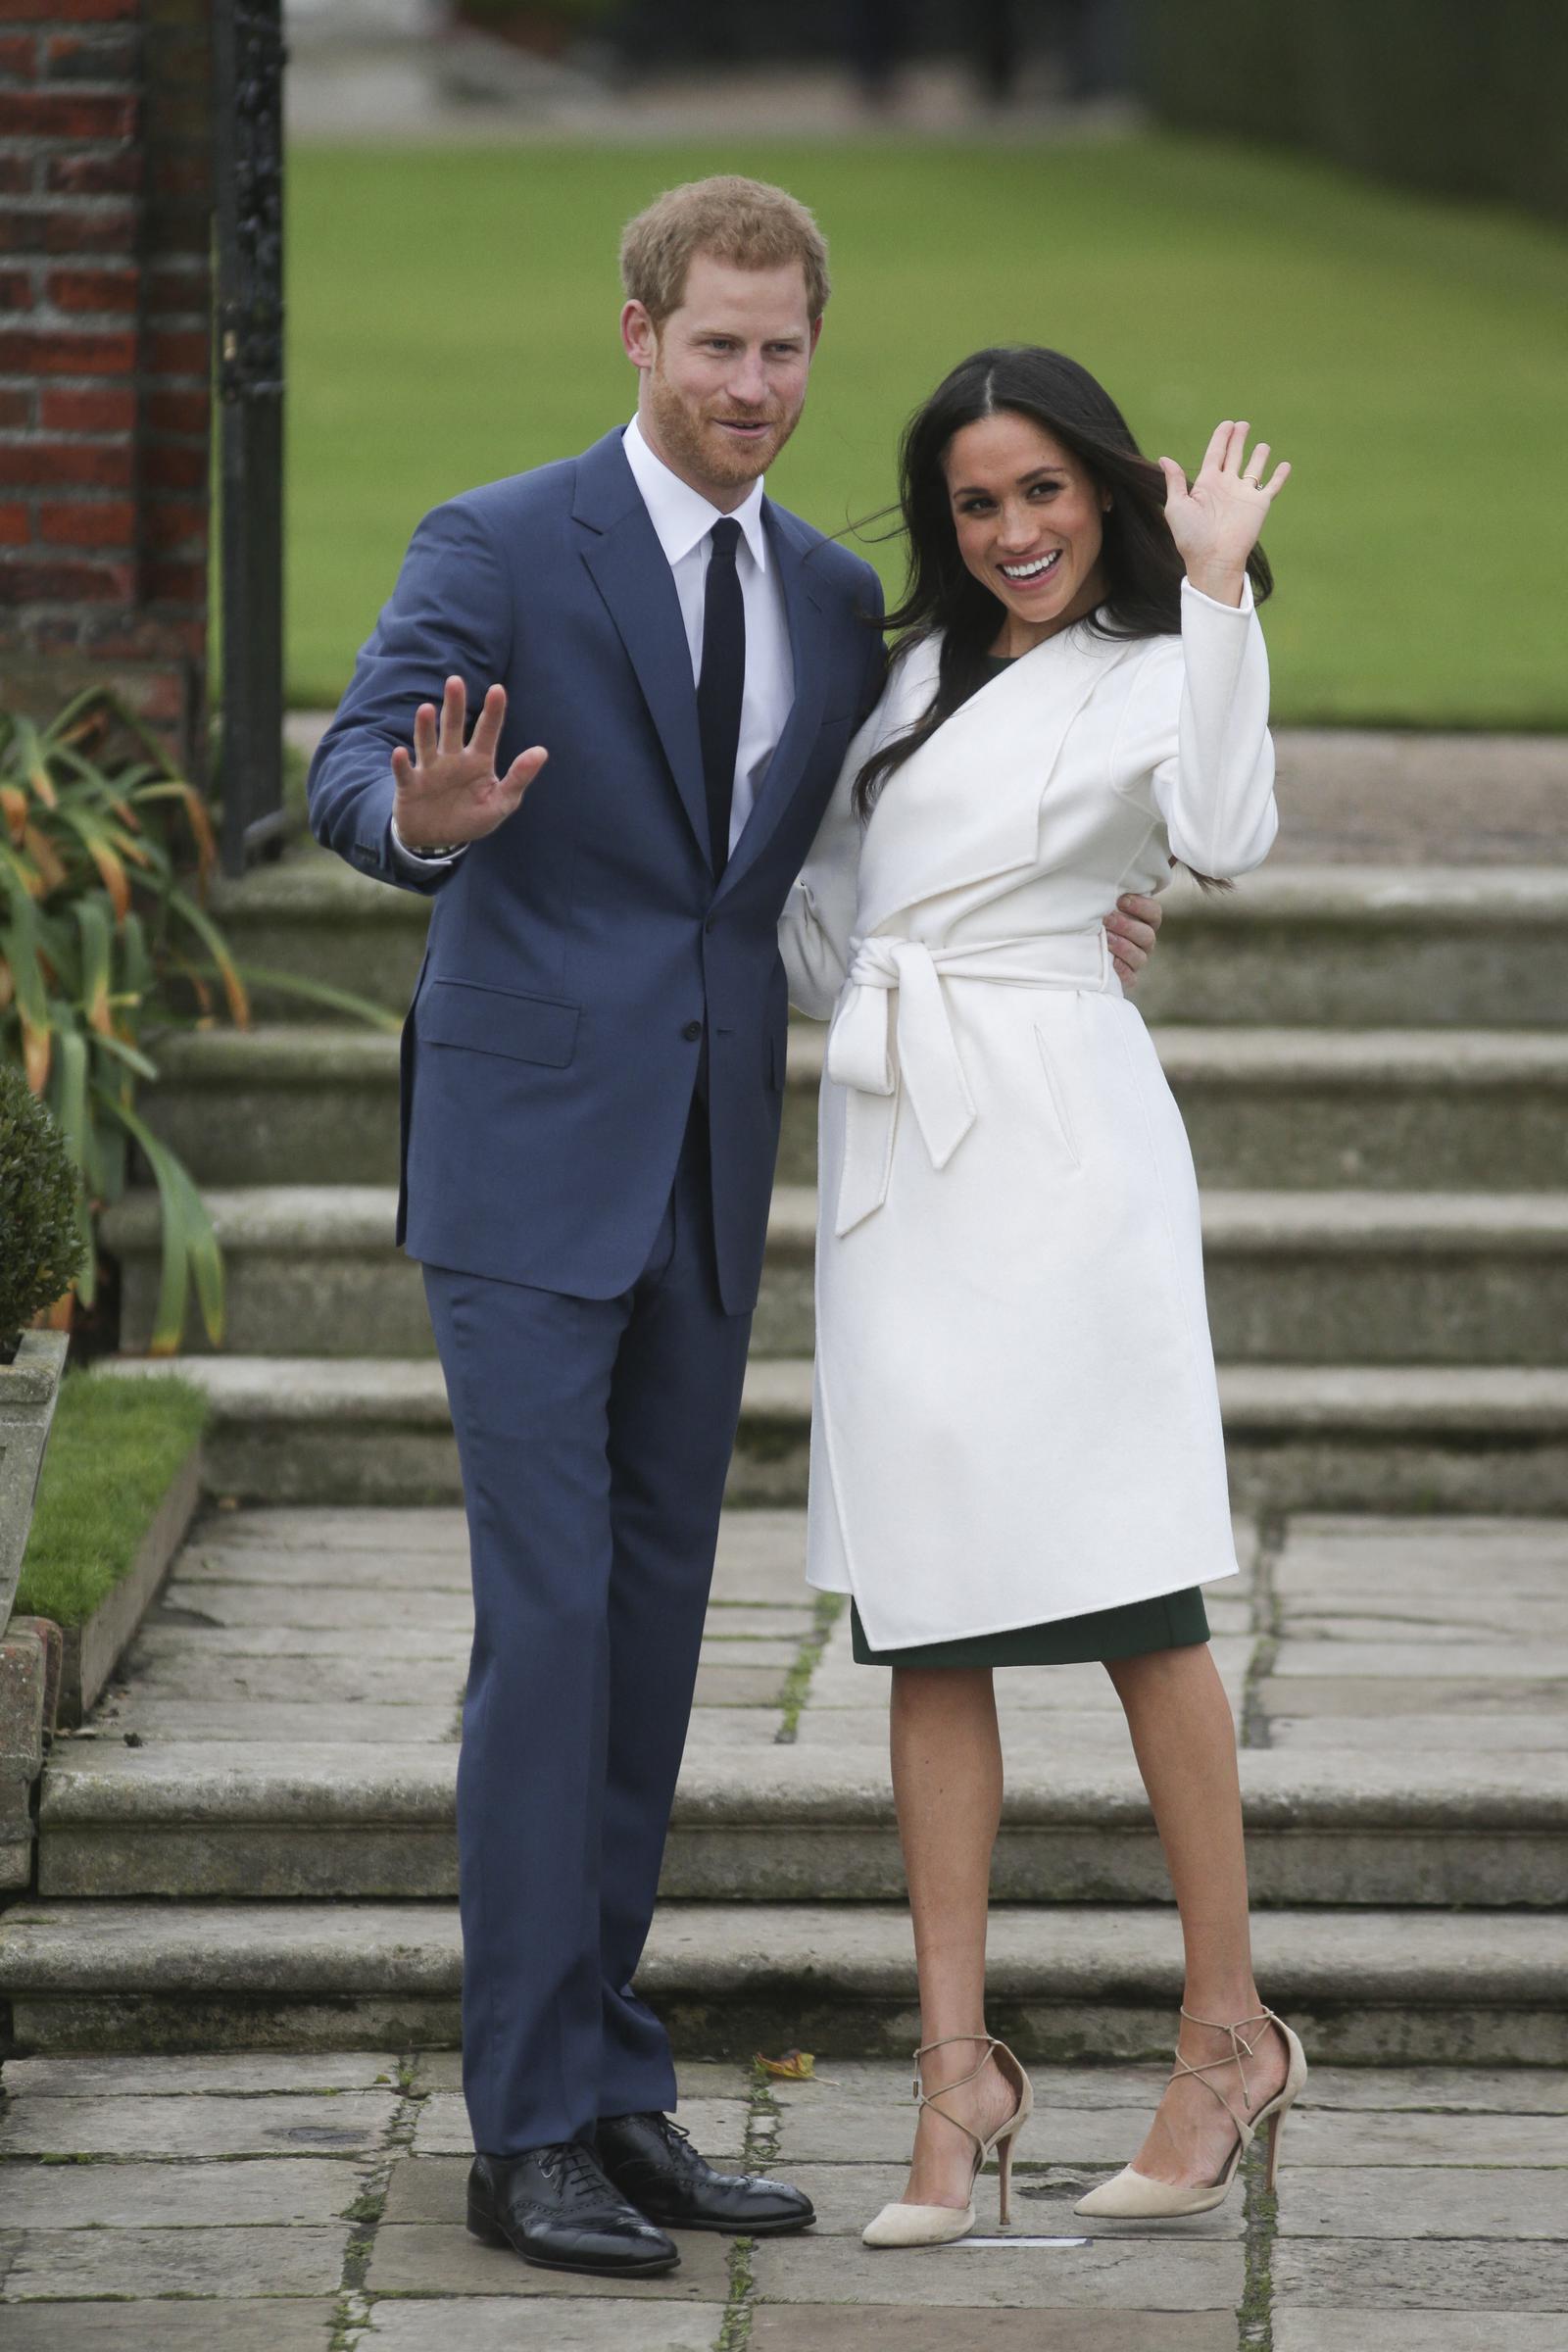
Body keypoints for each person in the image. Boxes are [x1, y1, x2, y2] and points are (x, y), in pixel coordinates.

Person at [308, 169, 1175, 2282]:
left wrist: (1054, 926)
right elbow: (352, 769)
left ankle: (612, 2087)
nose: (752, 385)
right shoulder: (497, 542)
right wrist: (412, 826)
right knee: (547, 1638)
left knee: (652, 1644)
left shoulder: (815, 592)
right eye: (714, 344)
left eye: (783, 349)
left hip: (706, 1169)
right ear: (636, 334)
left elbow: (842, 882)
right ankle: (525, 2122)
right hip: (521, 1175)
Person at [780, 347, 1308, 2249]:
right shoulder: (910, 681)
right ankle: (951, 2088)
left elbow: (1228, 832)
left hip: (1063, 1155)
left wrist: (1222, 585)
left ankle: (1222, 2034)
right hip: (900, 1150)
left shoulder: (1163, 664)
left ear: (1104, 495)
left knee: (1129, 1594)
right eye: (976, 501)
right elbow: (827, 909)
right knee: (926, 1614)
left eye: (1041, 495)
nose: (1010, 531)